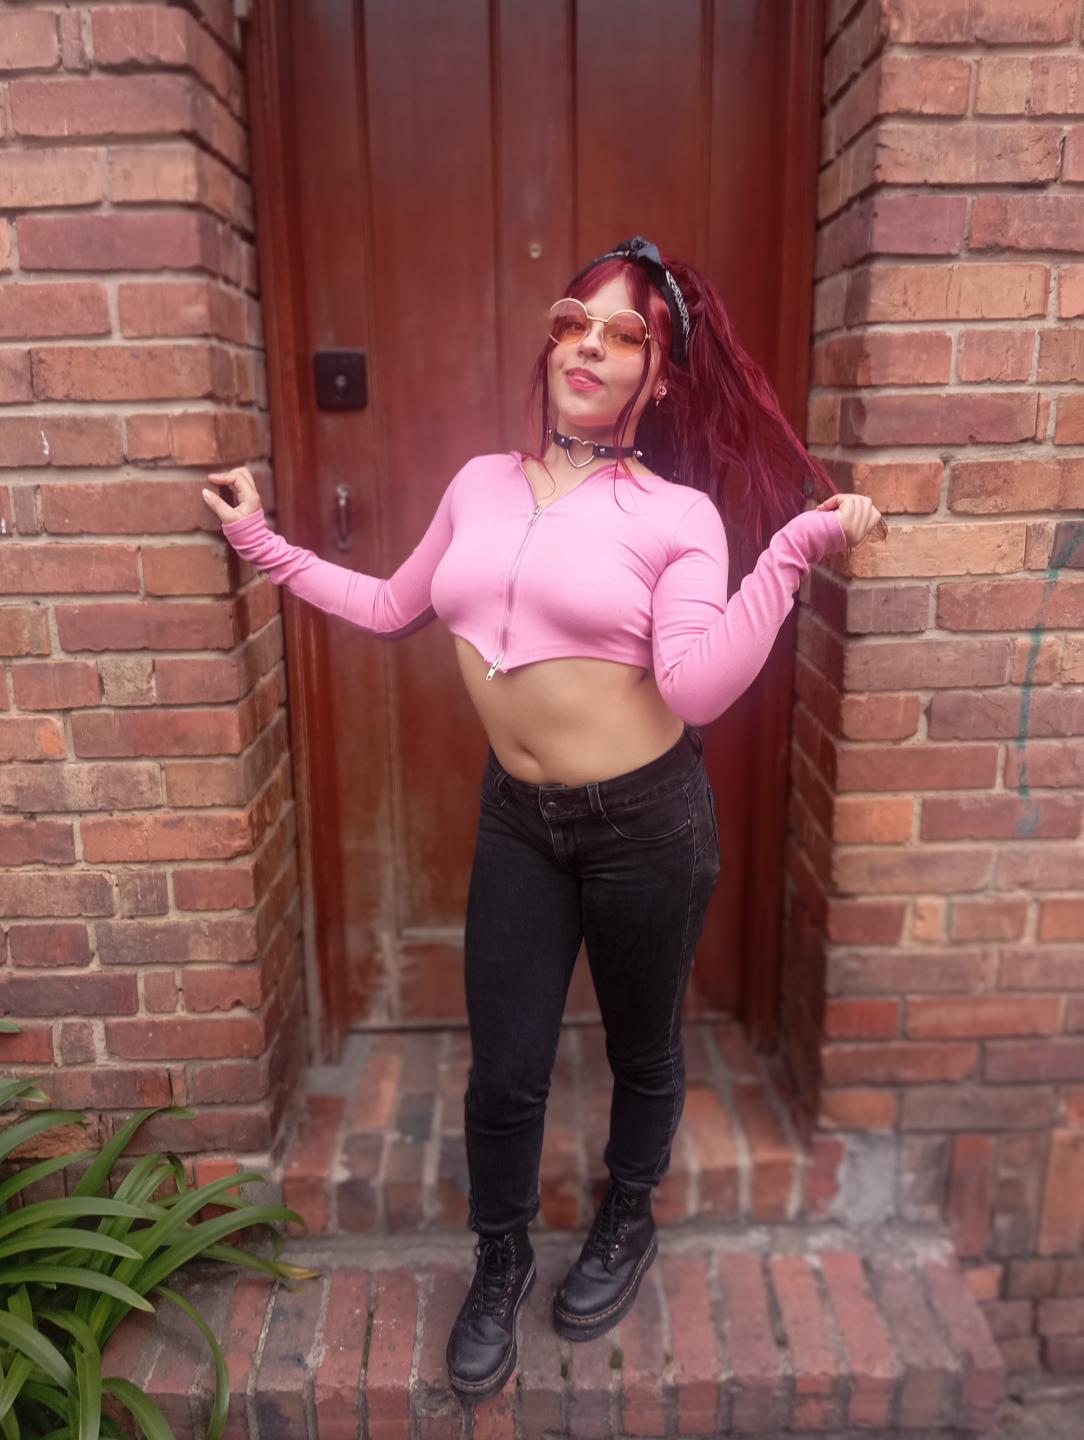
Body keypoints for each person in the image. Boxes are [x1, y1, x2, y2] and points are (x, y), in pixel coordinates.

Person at [202, 235, 884, 1404]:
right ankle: (499, 1258)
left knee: (642, 1048)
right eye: (576, 322)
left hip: (646, 824)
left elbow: (696, 689)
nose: (590, 348)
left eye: (626, 336)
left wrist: (787, 554)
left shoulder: (679, 516)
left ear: (658, 377)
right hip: (520, 819)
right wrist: (260, 542)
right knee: (506, 1067)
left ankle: (627, 1218)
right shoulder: (479, 483)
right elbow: (390, 605)